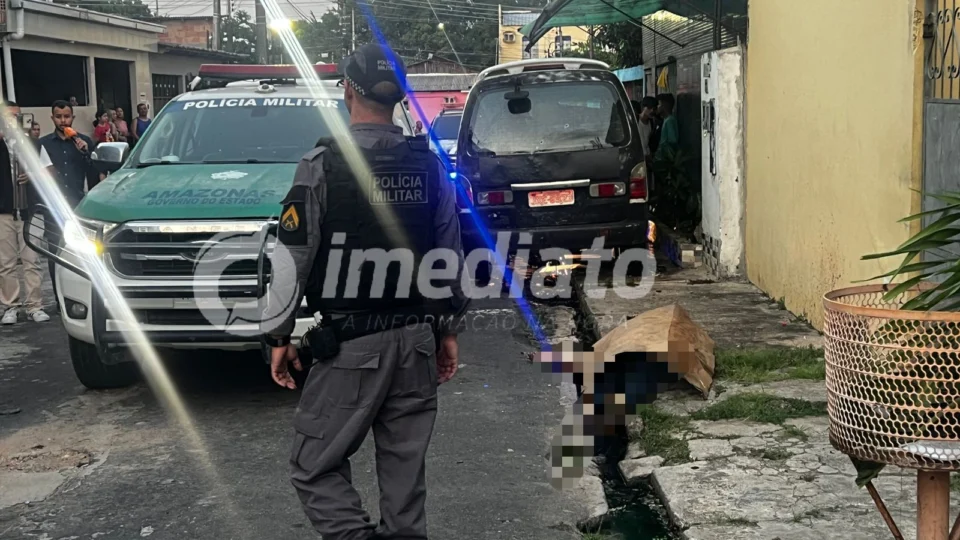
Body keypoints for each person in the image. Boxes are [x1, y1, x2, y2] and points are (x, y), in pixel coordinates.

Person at [261, 42, 468, 540]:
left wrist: (277, 337)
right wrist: (448, 331)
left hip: (352, 346)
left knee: (313, 465)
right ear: (398, 96)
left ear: (347, 90)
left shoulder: (322, 166)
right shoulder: (429, 165)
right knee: (404, 482)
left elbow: (291, 260)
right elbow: (449, 257)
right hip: (417, 340)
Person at [40, 100, 101, 308]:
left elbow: (95, 174)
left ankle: (82, 297)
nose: (62, 120)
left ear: (72, 118)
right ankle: (59, 299)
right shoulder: (43, 144)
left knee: (82, 252)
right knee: (55, 252)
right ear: (52, 118)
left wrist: (86, 153)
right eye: (58, 116)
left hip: (78, 205)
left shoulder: (83, 142)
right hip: (54, 206)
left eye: (66, 116)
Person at [0, 102, 53, 324]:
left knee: (32, 260)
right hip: (3, 210)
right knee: (6, 263)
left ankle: (35, 305)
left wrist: (32, 175)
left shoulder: (34, 144)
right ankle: (10, 306)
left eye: (17, 117)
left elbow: (49, 171)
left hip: (30, 209)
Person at [655, 93, 679, 160]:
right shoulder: (665, 119)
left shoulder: (670, 120)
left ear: (664, 105)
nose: (657, 107)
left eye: (659, 104)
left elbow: (673, 141)